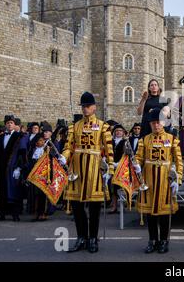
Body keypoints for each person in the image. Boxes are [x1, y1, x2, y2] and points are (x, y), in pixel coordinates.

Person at [60, 92, 115, 253]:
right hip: (77, 170)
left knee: (94, 208)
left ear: (94, 107)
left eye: (88, 106)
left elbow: (109, 150)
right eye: (83, 106)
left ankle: (92, 238)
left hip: (95, 169)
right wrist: (64, 157)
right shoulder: (74, 126)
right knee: (77, 207)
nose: (85, 109)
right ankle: (81, 237)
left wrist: (110, 168)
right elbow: (69, 147)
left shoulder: (103, 126)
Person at [135, 108, 183, 254]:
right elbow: (139, 157)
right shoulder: (144, 140)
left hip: (165, 180)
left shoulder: (172, 139)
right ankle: (152, 240)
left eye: (159, 122)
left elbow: (179, 161)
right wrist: (136, 165)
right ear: (150, 124)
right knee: (150, 213)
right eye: (153, 123)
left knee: (163, 213)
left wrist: (177, 178)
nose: (156, 125)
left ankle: (164, 240)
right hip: (149, 180)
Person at [0, 115, 27, 222]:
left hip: (13, 169)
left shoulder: (19, 136)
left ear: (14, 124)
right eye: (8, 123)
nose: (9, 124)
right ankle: (1, 214)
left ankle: (15, 214)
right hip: (1, 168)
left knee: (13, 191)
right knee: (1, 191)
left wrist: (19, 168)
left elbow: (22, 153)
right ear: (5, 125)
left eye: (11, 123)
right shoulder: (0, 138)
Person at [110, 123, 127, 214]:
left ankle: (122, 206)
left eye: (120, 131)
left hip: (121, 167)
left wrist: (119, 164)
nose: (118, 132)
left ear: (123, 132)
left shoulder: (125, 142)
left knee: (120, 187)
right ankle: (114, 206)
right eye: (116, 131)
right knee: (112, 187)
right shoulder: (111, 141)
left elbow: (126, 155)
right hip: (111, 166)